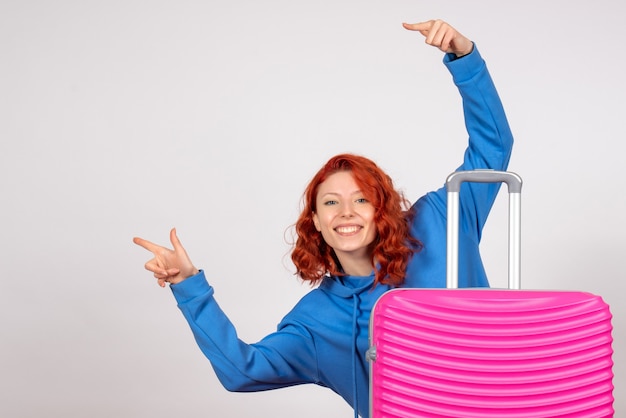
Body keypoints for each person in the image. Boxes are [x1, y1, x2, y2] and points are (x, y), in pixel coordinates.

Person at [133, 19, 513, 418]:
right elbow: (241, 371)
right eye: (330, 203)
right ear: (315, 220)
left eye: (361, 199)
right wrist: (189, 287)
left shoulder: (440, 222)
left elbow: (493, 149)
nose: (346, 212)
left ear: (381, 208)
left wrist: (464, 56)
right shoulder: (317, 320)